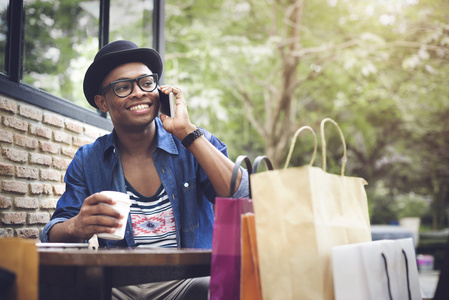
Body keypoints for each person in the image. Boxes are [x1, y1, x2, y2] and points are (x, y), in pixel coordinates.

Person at [40, 40, 249, 299]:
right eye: (123, 87)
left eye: (146, 82)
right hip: (117, 285)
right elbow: (54, 234)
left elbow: (242, 196)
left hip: (189, 282)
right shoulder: (87, 160)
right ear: (102, 103)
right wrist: (77, 226)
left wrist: (186, 132)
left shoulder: (193, 142)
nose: (138, 92)